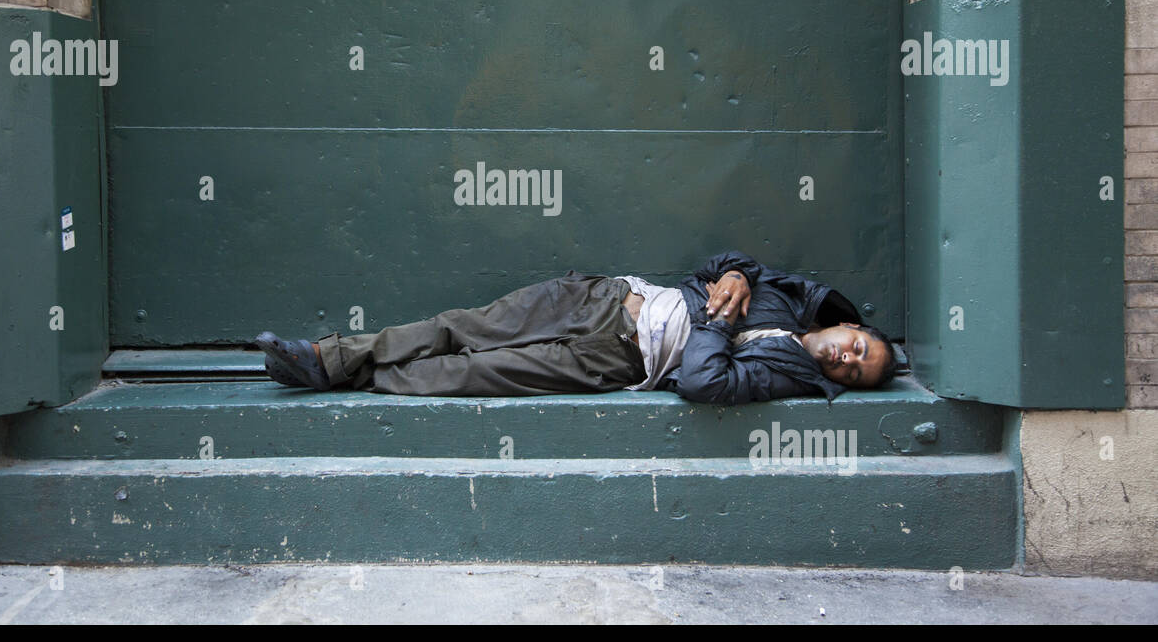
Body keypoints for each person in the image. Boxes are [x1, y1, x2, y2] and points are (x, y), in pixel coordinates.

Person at [256, 248, 897, 404]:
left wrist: (716, 322)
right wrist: (736, 278)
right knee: (463, 327)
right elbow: (720, 263)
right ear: (851, 326)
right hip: (609, 299)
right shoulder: (789, 298)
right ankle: (325, 359)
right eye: (859, 346)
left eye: (856, 372)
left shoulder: (789, 376)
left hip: (620, 360)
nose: (846, 358)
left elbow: (703, 383)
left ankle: (355, 378)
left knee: (481, 371)